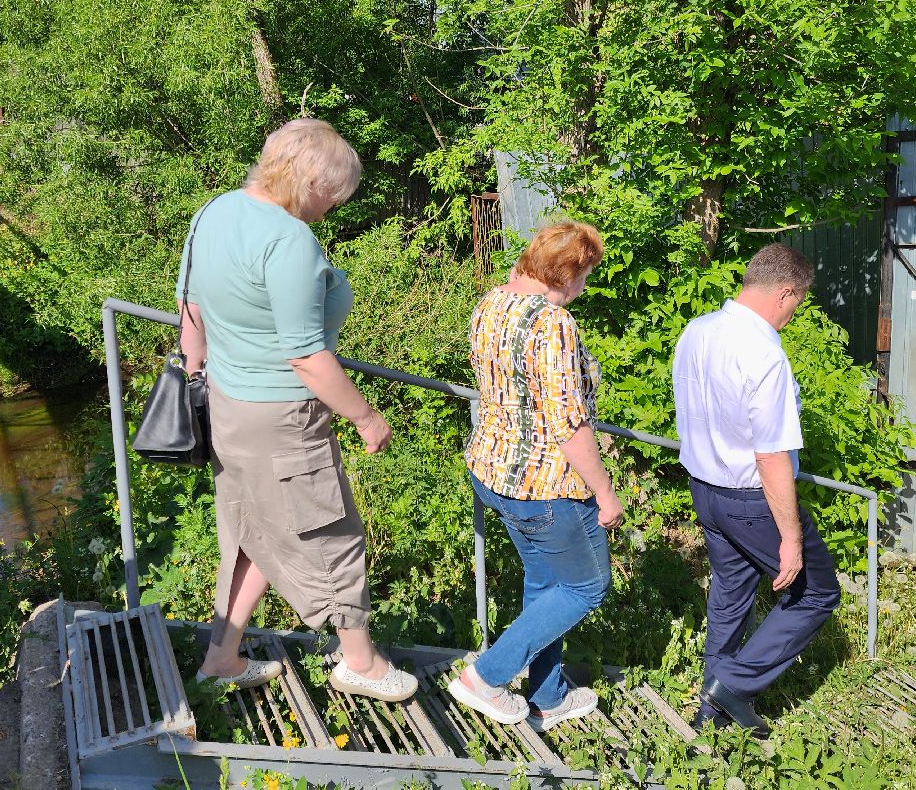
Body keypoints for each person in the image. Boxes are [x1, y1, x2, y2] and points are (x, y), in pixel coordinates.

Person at [178, 118, 416, 702]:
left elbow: (190, 308)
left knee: (252, 532)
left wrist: (197, 366)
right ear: (310, 182)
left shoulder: (216, 211)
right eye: (332, 196)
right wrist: (365, 417)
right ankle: (360, 663)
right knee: (330, 533)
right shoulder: (288, 240)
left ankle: (221, 659)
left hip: (230, 405)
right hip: (282, 418)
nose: (332, 209)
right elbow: (307, 356)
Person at [448, 220, 623, 729]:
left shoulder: (492, 302)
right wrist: (605, 492)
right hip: (545, 485)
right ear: (566, 275)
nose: (585, 286)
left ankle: (547, 695)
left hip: (494, 472)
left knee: (547, 581)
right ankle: (486, 677)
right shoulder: (553, 323)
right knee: (587, 587)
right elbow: (568, 423)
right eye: (584, 276)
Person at [671, 243, 841, 738]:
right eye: (797, 303)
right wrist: (790, 537)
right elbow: (770, 455)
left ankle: (712, 713)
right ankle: (733, 686)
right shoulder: (765, 354)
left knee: (730, 596)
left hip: (705, 490)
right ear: (785, 293)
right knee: (817, 594)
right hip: (750, 500)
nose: (793, 314)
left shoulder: (697, 330)